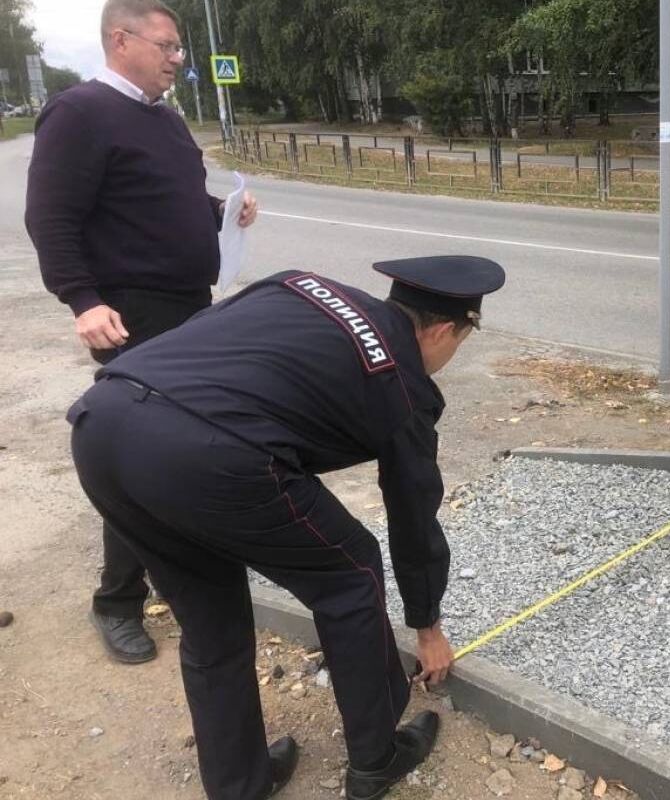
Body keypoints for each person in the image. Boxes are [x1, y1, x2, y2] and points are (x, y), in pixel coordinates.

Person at [66, 255, 505, 800]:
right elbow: (412, 515)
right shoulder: (403, 388)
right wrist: (427, 624)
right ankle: (374, 759)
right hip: (208, 453)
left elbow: (205, 336)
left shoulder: (301, 283)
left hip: (102, 423)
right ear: (443, 330)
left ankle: (238, 785)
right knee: (350, 572)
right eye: (459, 343)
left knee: (210, 625)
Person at [24, 0, 259, 664]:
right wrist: (82, 300)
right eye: (168, 47)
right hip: (132, 314)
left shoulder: (163, 119)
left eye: (180, 48)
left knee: (187, 449)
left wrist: (225, 210)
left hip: (189, 307)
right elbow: (51, 216)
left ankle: (180, 578)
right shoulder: (79, 113)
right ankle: (116, 602)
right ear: (120, 40)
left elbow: (168, 196)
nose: (178, 61)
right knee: (136, 458)